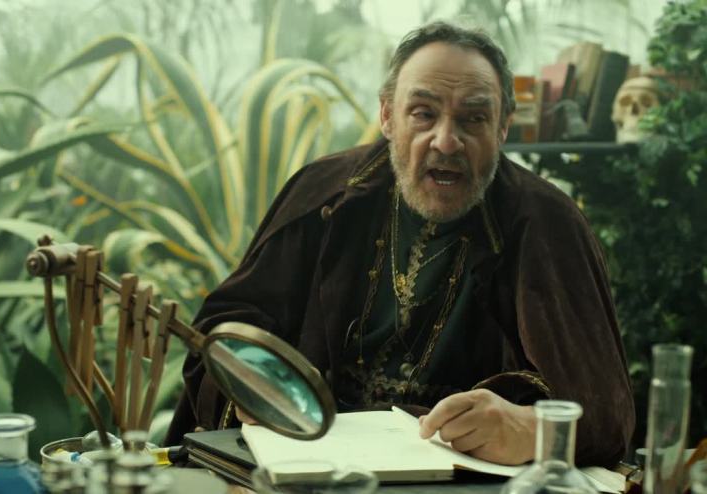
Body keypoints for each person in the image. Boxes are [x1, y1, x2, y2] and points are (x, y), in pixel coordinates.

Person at [165, 20, 635, 467]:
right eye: (424, 114)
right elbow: (225, 329)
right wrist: (249, 383)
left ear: (503, 128)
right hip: (306, 467)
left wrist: (530, 430)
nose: (446, 142)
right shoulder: (322, 193)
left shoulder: (547, 224)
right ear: (388, 116)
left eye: (474, 119)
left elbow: (606, 412)